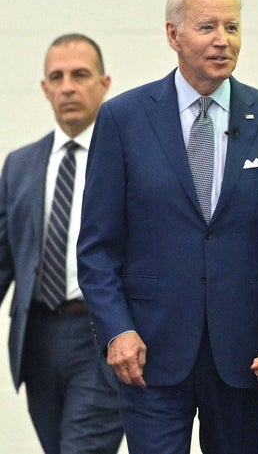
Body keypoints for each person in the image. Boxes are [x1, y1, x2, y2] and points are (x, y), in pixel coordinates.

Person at [77, 0, 258, 453]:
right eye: (207, 26)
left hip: (246, 356)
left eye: (233, 26)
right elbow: (97, 248)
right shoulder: (123, 119)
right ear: (173, 35)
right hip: (150, 352)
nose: (222, 40)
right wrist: (117, 329)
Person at [0, 33, 124, 453]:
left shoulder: (127, 158)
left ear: (103, 84)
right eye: (57, 76)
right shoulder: (20, 165)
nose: (68, 86)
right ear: (45, 88)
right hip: (36, 338)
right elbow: (5, 257)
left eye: (80, 74)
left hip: (101, 334)